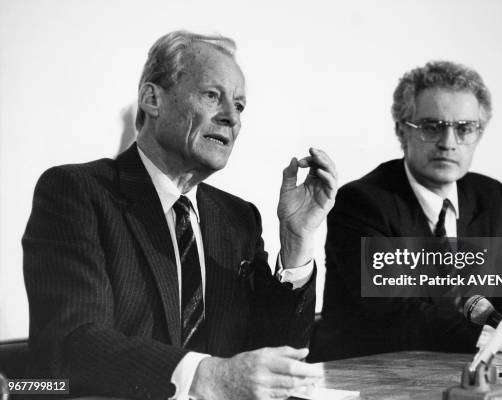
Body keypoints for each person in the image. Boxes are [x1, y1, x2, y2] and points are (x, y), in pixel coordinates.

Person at [22, 30, 337, 400]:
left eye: (239, 106)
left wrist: (297, 240)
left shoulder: (237, 218)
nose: (231, 118)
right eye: (211, 96)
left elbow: (274, 359)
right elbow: (74, 343)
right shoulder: (77, 192)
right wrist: (205, 376)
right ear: (152, 98)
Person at [310, 60, 502, 362]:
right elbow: (398, 313)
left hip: (456, 370)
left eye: (464, 128)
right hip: (369, 375)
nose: (449, 143)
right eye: (431, 127)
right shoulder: (362, 203)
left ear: (479, 134)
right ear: (401, 131)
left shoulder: (490, 196)